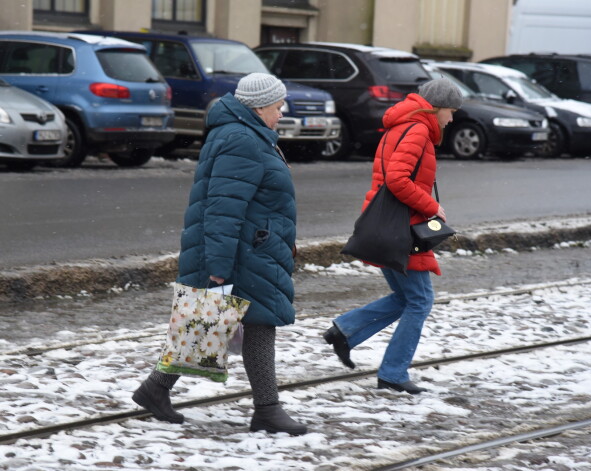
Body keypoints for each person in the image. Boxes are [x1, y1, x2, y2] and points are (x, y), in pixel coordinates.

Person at [132, 73, 307, 435]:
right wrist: (219, 266)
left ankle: (155, 388)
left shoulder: (246, 134)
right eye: (278, 106)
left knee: (208, 321)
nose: (281, 112)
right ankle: (268, 410)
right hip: (243, 251)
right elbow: (222, 208)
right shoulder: (242, 139)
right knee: (258, 324)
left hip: (251, 247)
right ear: (259, 106)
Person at [323, 78, 463, 394]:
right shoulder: (417, 130)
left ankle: (345, 331)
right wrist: (432, 206)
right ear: (437, 106)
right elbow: (397, 179)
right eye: (451, 111)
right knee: (420, 300)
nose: (451, 119)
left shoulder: (401, 124)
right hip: (401, 227)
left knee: (406, 298)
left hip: (387, 223)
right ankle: (393, 373)